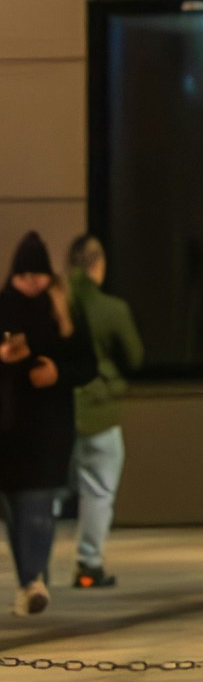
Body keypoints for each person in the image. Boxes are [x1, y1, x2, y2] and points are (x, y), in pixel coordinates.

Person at [58, 226, 139, 590]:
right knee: (98, 490)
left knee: (39, 493)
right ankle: (88, 564)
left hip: (54, 411)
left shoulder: (56, 307)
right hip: (98, 415)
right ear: (97, 265)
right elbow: (134, 357)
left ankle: (33, 572)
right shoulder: (113, 309)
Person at [0, 229, 74, 614]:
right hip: (10, 427)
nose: (32, 283)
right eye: (25, 276)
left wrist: (56, 370)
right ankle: (32, 579)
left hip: (49, 425)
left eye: (39, 275)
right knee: (16, 507)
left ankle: (33, 580)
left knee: (38, 503)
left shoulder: (59, 308)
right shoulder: (4, 306)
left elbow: (83, 359)